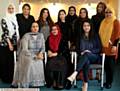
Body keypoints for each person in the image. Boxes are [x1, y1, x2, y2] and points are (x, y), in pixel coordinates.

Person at [65, 20, 102, 91]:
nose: (86, 27)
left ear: (90, 26)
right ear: (82, 27)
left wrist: (90, 51)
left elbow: (99, 48)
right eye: (84, 26)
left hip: (94, 57)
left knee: (87, 54)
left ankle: (74, 74)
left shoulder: (95, 35)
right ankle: (85, 84)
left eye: (88, 25)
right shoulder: (79, 36)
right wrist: (80, 53)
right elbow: (77, 48)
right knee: (86, 61)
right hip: (84, 57)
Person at [11, 22, 45, 88]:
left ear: (38, 28)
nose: (35, 28)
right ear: (31, 28)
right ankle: (27, 82)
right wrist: (35, 56)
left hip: (38, 54)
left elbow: (43, 47)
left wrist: (41, 53)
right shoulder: (26, 35)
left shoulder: (41, 35)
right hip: (26, 55)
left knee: (39, 61)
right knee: (30, 61)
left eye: (36, 26)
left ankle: (36, 83)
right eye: (33, 26)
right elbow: (24, 49)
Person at [99, 6, 120, 89]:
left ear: (113, 13)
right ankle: (107, 81)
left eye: (110, 12)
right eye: (106, 12)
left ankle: (109, 82)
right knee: (106, 66)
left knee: (110, 66)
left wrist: (115, 45)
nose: (108, 14)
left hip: (111, 47)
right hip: (104, 47)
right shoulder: (103, 21)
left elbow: (117, 35)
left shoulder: (116, 22)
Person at [45, 24, 69, 90]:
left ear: (58, 30)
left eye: (55, 29)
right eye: (52, 30)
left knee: (61, 64)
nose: (54, 31)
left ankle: (60, 83)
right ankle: (54, 81)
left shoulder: (63, 37)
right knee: (51, 64)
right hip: (52, 56)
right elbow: (46, 47)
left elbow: (65, 49)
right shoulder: (49, 38)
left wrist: (56, 53)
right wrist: (48, 51)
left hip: (62, 55)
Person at [0, 4, 19, 83]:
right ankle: (5, 79)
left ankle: (11, 78)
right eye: (9, 8)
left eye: (12, 8)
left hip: (14, 43)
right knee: (5, 62)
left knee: (11, 62)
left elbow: (16, 32)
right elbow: (5, 33)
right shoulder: (4, 19)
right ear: (7, 10)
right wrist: (10, 44)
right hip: (6, 44)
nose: (11, 10)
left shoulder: (15, 19)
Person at [91, 2, 106, 80]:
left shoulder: (105, 17)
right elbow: (92, 28)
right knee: (95, 52)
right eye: (98, 7)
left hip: (103, 38)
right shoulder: (93, 17)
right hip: (95, 38)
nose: (99, 8)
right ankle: (95, 73)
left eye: (101, 7)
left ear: (104, 8)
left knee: (101, 54)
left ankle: (99, 73)